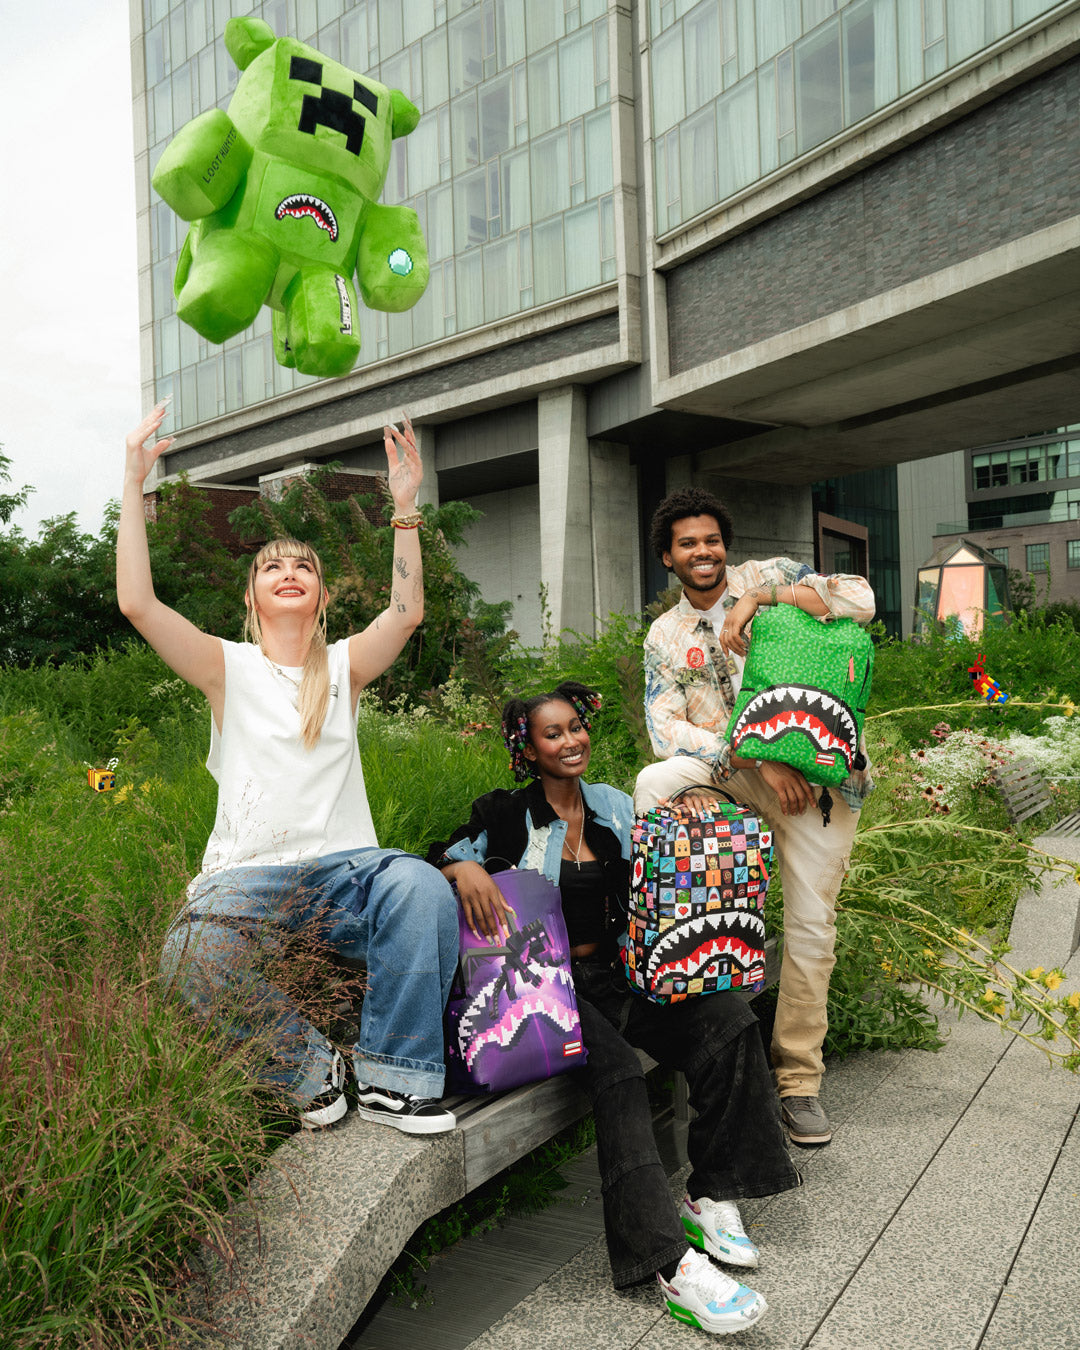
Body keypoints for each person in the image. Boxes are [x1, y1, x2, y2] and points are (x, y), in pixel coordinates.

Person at [117, 402, 459, 1134]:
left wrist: (404, 509)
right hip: (248, 880)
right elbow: (137, 603)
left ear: (323, 595)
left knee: (422, 888)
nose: (289, 571)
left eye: (304, 565)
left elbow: (403, 613)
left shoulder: (343, 667)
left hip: (345, 873)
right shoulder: (225, 668)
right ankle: (310, 1072)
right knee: (186, 956)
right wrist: (131, 483)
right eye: (271, 566)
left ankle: (396, 1077)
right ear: (252, 596)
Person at [428, 682, 799, 1338]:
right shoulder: (506, 813)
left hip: (627, 975)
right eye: (553, 733)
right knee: (621, 1073)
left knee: (729, 1023)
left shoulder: (614, 806)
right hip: (551, 987)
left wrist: (687, 829)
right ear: (528, 747)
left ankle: (709, 1192)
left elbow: (661, 873)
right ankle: (670, 1268)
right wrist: (466, 871)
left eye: (576, 727)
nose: (571, 741)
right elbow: (441, 857)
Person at [635, 487, 875, 1147]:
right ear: (668, 558)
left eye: (710, 540)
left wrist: (761, 599)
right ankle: (678, 951)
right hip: (738, 776)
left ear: (724, 545)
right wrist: (754, 757)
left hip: (820, 781)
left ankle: (798, 1083)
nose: (702, 552)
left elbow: (861, 599)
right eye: (688, 543)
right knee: (655, 782)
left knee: (810, 929)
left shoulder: (772, 578)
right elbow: (666, 730)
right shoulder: (664, 635)